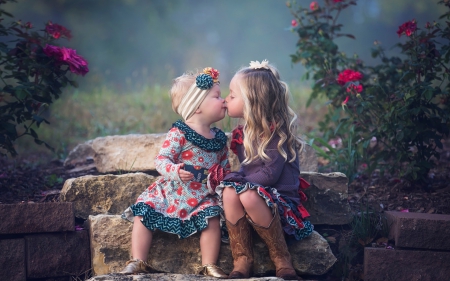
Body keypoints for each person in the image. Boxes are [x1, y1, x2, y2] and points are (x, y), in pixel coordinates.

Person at [120, 67, 230, 278]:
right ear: (197, 106)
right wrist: (176, 170)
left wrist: (221, 179)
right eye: (217, 96)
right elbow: (161, 160)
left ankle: (209, 264)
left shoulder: (218, 137)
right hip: (174, 190)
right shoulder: (179, 132)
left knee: (212, 218)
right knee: (145, 209)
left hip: (203, 194)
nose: (224, 100)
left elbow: (224, 167)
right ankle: (138, 259)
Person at [217, 60, 314, 280]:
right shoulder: (244, 133)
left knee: (247, 194)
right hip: (255, 191)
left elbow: (269, 175)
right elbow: (248, 170)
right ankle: (242, 258)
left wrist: (241, 181)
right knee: (230, 192)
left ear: (252, 102)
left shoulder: (276, 134)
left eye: (232, 96)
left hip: (279, 201)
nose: (226, 99)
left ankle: (281, 258)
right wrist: (236, 180)